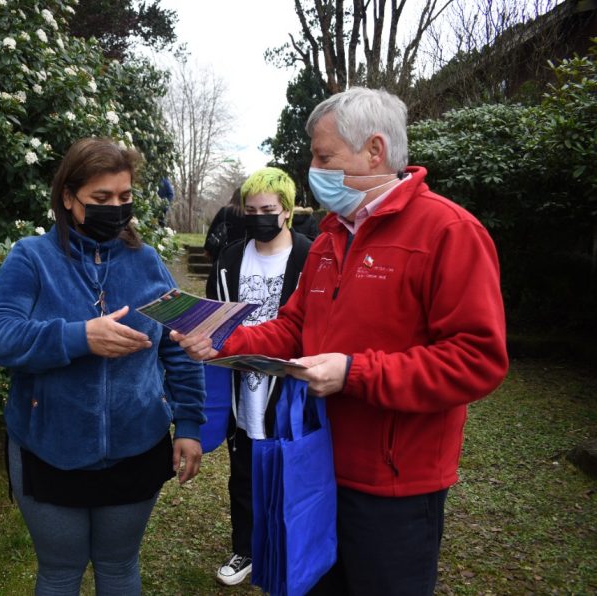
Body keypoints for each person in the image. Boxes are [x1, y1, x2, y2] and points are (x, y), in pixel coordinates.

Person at [173, 88, 509, 595]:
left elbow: (477, 359)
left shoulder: (448, 232)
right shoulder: (331, 239)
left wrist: (354, 373)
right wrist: (221, 339)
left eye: (323, 156)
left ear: (374, 151)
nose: (312, 166)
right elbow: (292, 327)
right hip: (316, 461)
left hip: (394, 483)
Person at [0, 138, 205, 596]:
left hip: (137, 442)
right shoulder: (32, 258)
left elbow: (178, 345)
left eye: (124, 198)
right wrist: (79, 337)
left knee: (119, 566)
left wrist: (190, 423)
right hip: (50, 446)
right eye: (101, 199)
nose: (116, 209)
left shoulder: (146, 262)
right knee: (61, 571)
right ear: (68, 197)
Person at [205, 167, 312, 586]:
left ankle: (288, 548)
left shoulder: (310, 255)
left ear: (286, 211)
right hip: (240, 386)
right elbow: (216, 314)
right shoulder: (230, 257)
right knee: (244, 472)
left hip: (287, 388)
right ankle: (245, 549)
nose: (259, 217)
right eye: (250, 210)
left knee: (290, 471)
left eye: (267, 209)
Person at [203, 187, 246, 262]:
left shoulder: (225, 211)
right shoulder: (250, 214)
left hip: (223, 251)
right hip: (244, 252)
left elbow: (213, 230)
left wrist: (208, 248)